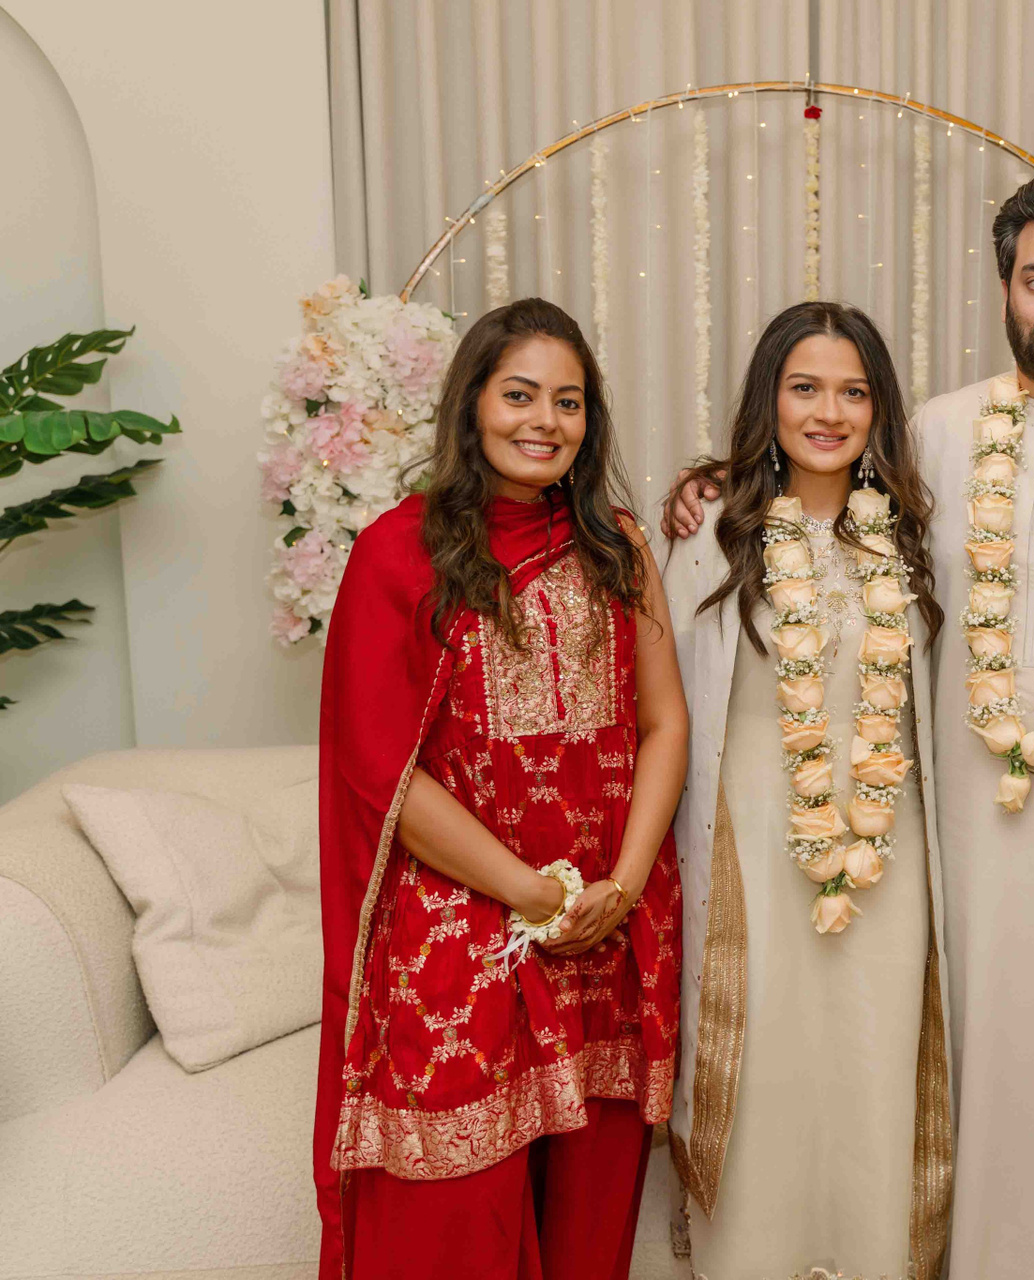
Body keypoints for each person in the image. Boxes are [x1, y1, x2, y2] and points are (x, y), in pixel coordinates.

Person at [668, 171, 1034, 1280]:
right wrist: (711, 482)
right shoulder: (934, 438)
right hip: (956, 844)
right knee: (966, 1063)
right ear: (1004, 287)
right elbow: (810, 498)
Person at [313, 298, 686, 1280]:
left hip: (605, 926)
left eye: (569, 401)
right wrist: (529, 892)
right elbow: (382, 773)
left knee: (590, 1211)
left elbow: (664, 722)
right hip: (460, 926)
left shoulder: (617, 547)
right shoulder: (398, 552)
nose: (544, 421)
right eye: (520, 394)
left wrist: (622, 885)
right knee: (454, 1220)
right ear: (472, 401)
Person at [661, 301, 953, 1280]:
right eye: (805, 388)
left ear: (880, 409)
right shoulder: (711, 532)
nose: (828, 412)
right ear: (769, 400)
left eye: (852, 391)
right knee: (764, 1058)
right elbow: (664, 707)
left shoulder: (917, 536)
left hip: (888, 847)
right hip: (748, 836)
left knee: (873, 1053)